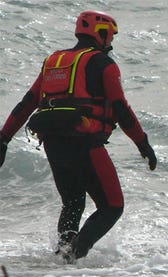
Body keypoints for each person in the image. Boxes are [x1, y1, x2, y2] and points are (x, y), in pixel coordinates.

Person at [0, 11, 157, 262]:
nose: (111, 42)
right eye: (110, 36)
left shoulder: (53, 61)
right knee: (112, 207)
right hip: (84, 143)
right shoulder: (103, 64)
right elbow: (120, 109)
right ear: (101, 33)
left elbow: (27, 103)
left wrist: (4, 138)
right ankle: (72, 256)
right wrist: (142, 143)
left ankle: (62, 257)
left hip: (52, 143)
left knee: (73, 203)